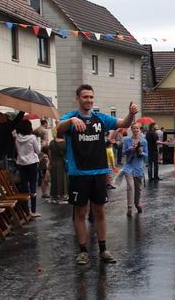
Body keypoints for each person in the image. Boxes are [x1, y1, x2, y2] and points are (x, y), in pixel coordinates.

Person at [57, 84, 138, 265]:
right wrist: (71, 121)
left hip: (99, 172)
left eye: (91, 97)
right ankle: (83, 251)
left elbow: (124, 124)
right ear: (77, 98)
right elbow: (59, 128)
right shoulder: (70, 117)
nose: (89, 100)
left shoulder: (100, 118)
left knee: (100, 211)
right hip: (78, 173)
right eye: (85, 97)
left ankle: (103, 250)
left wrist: (131, 114)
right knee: (80, 212)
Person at [14, 120, 41, 218]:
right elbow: (38, 151)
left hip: (21, 163)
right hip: (32, 163)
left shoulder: (17, 138)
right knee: (33, 185)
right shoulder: (32, 138)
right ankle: (33, 211)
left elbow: (17, 151)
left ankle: (26, 210)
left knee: (24, 186)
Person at [122, 123, 148, 217]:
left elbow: (147, 155)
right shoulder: (127, 140)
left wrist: (141, 152)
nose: (135, 130)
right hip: (128, 167)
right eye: (134, 128)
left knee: (138, 188)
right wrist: (129, 149)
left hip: (138, 167)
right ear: (131, 130)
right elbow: (123, 152)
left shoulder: (144, 141)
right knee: (130, 187)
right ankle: (129, 207)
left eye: (137, 128)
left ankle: (137, 204)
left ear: (139, 129)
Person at [48, 133, 68, 204]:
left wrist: (51, 162)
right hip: (62, 164)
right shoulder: (65, 143)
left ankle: (53, 196)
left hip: (54, 163)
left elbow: (49, 154)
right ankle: (61, 197)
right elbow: (67, 154)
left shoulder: (52, 142)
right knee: (62, 180)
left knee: (54, 180)